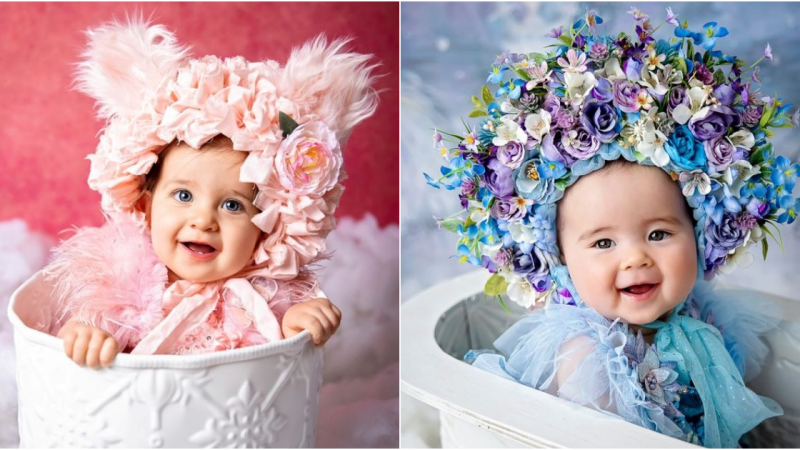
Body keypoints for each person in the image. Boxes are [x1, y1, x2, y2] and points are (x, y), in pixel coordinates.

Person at [426, 8, 800, 447]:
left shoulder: (704, 316)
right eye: (603, 242)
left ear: (700, 235)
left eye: (659, 234)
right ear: (561, 259)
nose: (636, 257)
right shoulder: (589, 357)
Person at [42, 17, 378, 368]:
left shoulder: (269, 293)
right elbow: (83, 321)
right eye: (184, 196)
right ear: (147, 205)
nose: (204, 220)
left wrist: (300, 321)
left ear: (267, 228)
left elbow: (282, 353)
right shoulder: (124, 280)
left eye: (233, 205)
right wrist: (84, 334)